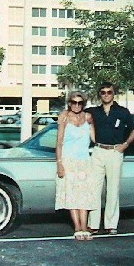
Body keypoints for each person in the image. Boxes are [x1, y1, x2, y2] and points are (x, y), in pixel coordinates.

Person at [86, 81, 134, 235]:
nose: (106, 95)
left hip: (115, 152)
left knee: (113, 189)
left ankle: (111, 224)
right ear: (99, 95)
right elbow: (74, 114)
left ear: (113, 94)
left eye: (109, 92)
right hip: (98, 151)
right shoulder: (93, 112)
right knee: (94, 188)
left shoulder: (123, 112)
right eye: (103, 92)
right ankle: (93, 224)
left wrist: (125, 144)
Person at [55, 90, 97, 241]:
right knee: (71, 194)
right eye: (74, 102)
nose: (77, 105)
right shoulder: (64, 116)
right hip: (68, 161)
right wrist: (59, 164)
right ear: (69, 103)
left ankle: (85, 226)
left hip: (84, 161)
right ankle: (78, 227)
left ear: (84, 104)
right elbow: (59, 143)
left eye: (80, 103)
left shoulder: (88, 117)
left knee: (84, 195)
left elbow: (94, 138)